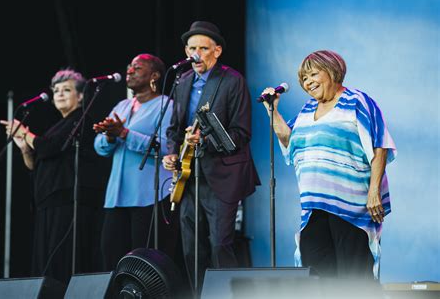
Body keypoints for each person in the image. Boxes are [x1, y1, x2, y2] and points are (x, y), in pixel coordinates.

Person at [261, 50, 396, 279]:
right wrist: (271, 109)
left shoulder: (356, 101)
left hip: (352, 207)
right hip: (314, 207)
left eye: (313, 74)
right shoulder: (306, 110)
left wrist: (374, 191)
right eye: (304, 79)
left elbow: (379, 146)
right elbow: (289, 141)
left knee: (354, 279)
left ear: (332, 71)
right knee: (318, 279)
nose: (308, 82)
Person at [163, 21, 260, 291]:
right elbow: (172, 128)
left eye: (203, 48)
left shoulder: (232, 81)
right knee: (192, 248)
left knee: (220, 244)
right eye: (192, 48)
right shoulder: (182, 82)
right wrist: (171, 153)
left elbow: (241, 132)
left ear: (216, 51)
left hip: (222, 174)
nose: (196, 54)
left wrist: (205, 139)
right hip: (188, 175)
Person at [0, 68, 106, 283]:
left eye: (66, 90)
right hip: (47, 201)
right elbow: (34, 165)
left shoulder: (82, 120)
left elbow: (49, 148)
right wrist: (24, 147)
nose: (59, 94)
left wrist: (25, 133)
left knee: (62, 261)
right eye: (56, 90)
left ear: (81, 95)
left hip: (68, 200)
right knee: (46, 263)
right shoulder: (57, 126)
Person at [94, 53, 176, 271]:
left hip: (148, 195)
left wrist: (124, 133)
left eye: (137, 68)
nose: (129, 71)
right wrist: (110, 136)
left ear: (154, 75)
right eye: (129, 66)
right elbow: (99, 146)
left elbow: (166, 146)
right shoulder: (121, 106)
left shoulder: (166, 106)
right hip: (117, 196)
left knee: (143, 261)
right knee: (111, 255)